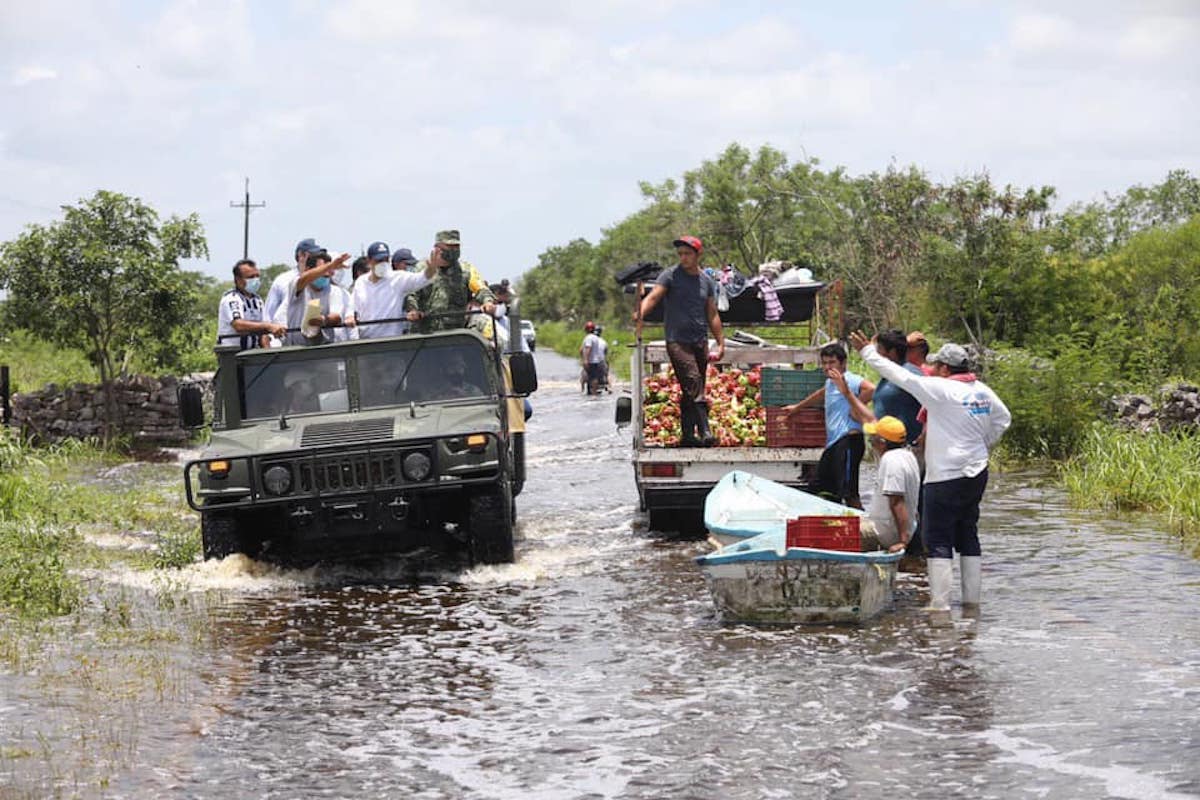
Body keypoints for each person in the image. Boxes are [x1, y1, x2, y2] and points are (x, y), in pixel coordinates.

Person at [851, 332, 1011, 614]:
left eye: (937, 366)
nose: (933, 369)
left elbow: (902, 377)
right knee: (968, 534)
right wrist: (981, 443)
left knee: (937, 539)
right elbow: (1002, 419)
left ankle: (940, 606)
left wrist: (868, 353)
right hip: (977, 473)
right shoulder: (983, 392)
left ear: (947, 370)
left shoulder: (942, 390)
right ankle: (972, 603)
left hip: (946, 475)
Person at [635, 235, 725, 447]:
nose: (683, 258)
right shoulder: (671, 276)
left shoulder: (706, 281)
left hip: (699, 340)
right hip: (677, 341)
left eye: (687, 254)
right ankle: (705, 431)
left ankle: (687, 436)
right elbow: (654, 296)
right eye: (680, 254)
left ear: (697, 255)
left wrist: (721, 342)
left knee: (692, 387)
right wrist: (641, 312)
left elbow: (712, 313)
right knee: (693, 381)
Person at [781, 342, 875, 508]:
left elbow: (871, 388)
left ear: (843, 363)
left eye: (832, 362)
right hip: (833, 444)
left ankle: (863, 528)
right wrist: (798, 407)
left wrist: (857, 406)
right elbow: (821, 394)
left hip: (848, 441)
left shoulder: (850, 380)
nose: (827, 366)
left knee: (850, 493)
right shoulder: (830, 383)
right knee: (823, 488)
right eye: (824, 363)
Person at [404, 230, 496, 333]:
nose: (454, 250)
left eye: (457, 247)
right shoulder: (422, 268)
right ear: (437, 248)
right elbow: (411, 293)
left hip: (454, 335)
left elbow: (481, 290)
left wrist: (488, 302)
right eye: (450, 247)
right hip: (424, 334)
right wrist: (412, 310)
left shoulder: (466, 270)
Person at [352, 241, 436, 339]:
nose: (383, 263)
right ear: (369, 261)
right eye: (379, 260)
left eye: (385, 260)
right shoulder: (361, 282)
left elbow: (422, 279)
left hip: (392, 342)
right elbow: (353, 309)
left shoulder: (397, 278)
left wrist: (431, 269)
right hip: (366, 341)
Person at [274, 250, 353, 346]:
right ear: (308, 269)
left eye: (327, 275)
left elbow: (336, 317)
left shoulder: (335, 291)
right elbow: (303, 278)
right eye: (321, 272)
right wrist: (330, 266)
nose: (325, 276)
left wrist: (323, 320)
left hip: (322, 347)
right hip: (295, 347)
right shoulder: (297, 285)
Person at [217, 259, 286, 350]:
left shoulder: (258, 300)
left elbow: (263, 333)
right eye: (251, 277)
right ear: (238, 279)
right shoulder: (231, 298)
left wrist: (268, 352)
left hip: (253, 352)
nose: (255, 280)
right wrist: (267, 326)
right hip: (232, 354)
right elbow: (238, 325)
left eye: (257, 276)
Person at [871, 328, 924, 445]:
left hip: (907, 448)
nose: (876, 354)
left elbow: (929, 407)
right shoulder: (887, 376)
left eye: (879, 349)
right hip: (886, 447)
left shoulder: (910, 375)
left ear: (892, 352)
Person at [265, 238, 325, 322]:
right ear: (301, 255)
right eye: (313, 255)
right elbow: (269, 313)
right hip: (285, 332)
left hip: (308, 332)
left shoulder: (319, 280)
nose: (317, 259)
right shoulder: (283, 280)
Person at [580, 321, 606, 395]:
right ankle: (592, 392)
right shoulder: (595, 338)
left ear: (587, 329)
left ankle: (592, 393)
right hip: (596, 360)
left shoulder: (589, 338)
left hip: (591, 361)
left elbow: (588, 348)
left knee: (591, 378)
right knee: (593, 377)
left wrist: (585, 360)